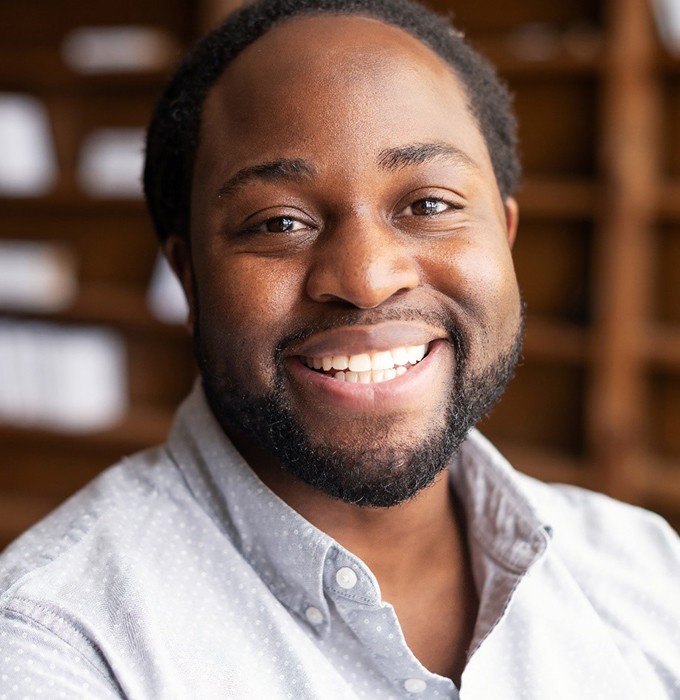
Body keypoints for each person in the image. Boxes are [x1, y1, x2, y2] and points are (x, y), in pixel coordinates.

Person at [1, 0, 679, 697]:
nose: (365, 278)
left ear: (504, 236)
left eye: (430, 205)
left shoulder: (643, 571)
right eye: (279, 222)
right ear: (187, 278)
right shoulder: (59, 646)